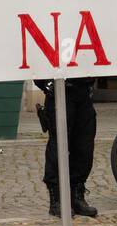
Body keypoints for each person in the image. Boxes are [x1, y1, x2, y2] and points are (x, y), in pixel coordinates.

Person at [35, 77, 97, 217]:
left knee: (84, 147)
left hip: (83, 92)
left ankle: (76, 196)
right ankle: (56, 200)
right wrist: (46, 85)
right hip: (60, 92)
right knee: (58, 148)